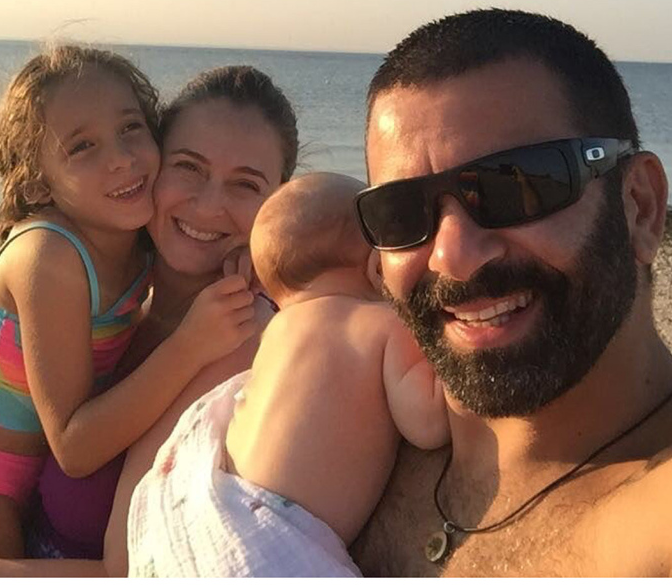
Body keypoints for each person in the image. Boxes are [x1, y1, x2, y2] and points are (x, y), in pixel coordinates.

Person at [0, 63, 301, 576]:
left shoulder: (237, 335)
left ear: (280, 201)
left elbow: (133, 569)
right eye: (188, 167)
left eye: (245, 184)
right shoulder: (113, 270)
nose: (207, 205)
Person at [347, 8, 672, 576]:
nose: (452, 256)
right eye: (401, 210)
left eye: (517, 186)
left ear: (640, 206)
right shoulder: (352, 428)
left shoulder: (671, 515)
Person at [127, 171, 449, 577]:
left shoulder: (276, 329)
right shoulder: (381, 324)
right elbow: (427, 424)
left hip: (215, 512)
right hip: (269, 544)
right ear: (376, 266)